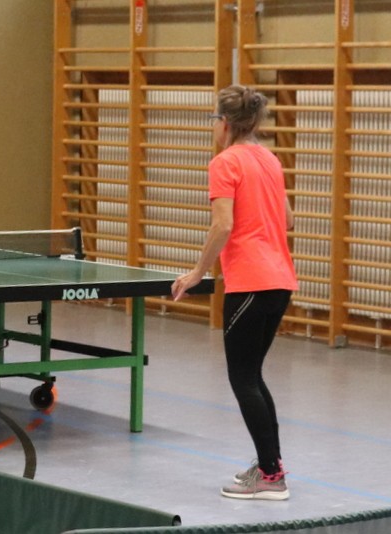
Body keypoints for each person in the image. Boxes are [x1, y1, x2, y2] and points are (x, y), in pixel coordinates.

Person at [171, 85, 297, 501]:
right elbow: (288, 219)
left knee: (243, 379)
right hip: (280, 281)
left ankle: (271, 477)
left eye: (214, 119)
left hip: (250, 282)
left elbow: (222, 224)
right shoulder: (269, 159)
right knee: (253, 376)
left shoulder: (225, 162)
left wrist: (197, 273)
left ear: (224, 123)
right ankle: (270, 468)